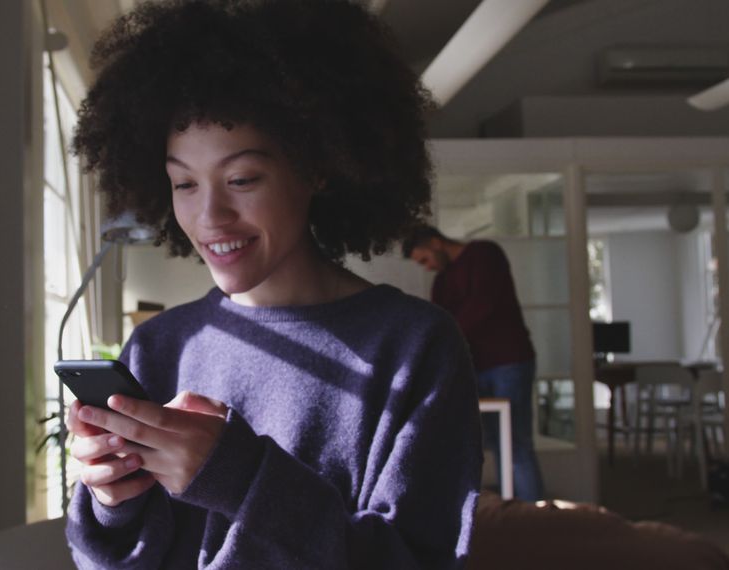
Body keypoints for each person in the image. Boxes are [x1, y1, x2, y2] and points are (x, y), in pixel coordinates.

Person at [64, 1, 482, 567]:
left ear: (316, 166)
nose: (209, 216)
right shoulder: (160, 348)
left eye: (241, 178)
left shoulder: (414, 347)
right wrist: (112, 499)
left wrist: (239, 476)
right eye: (183, 183)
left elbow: (416, 559)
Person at [403, 226, 545, 502]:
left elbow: (483, 305)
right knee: (494, 442)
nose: (427, 267)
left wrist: (445, 335)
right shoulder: (441, 282)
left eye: (425, 259)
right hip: (476, 368)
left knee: (516, 443)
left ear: (436, 242)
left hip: (508, 362)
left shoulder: (484, 254)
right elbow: (440, 324)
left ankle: (535, 515)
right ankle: (512, 510)